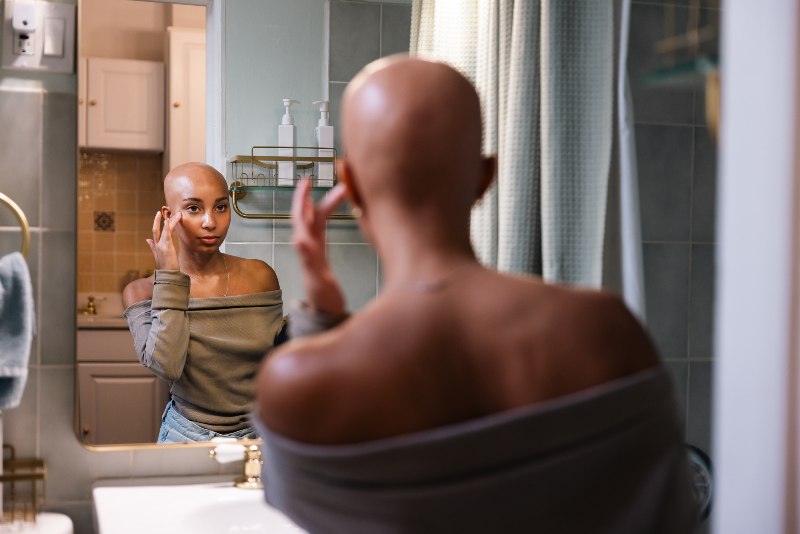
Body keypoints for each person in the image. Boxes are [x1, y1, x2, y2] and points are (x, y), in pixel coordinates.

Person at [253, 56, 700, 533]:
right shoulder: (605, 330)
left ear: (352, 185)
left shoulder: (299, 382)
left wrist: (323, 321)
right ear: (486, 176)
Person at [122, 162, 286, 443]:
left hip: (259, 434)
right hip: (184, 435)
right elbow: (167, 366)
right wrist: (170, 279)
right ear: (168, 215)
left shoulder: (261, 276)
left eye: (220, 207)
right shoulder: (141, 292)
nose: (210, 222)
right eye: (194, 208)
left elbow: (275, 361)